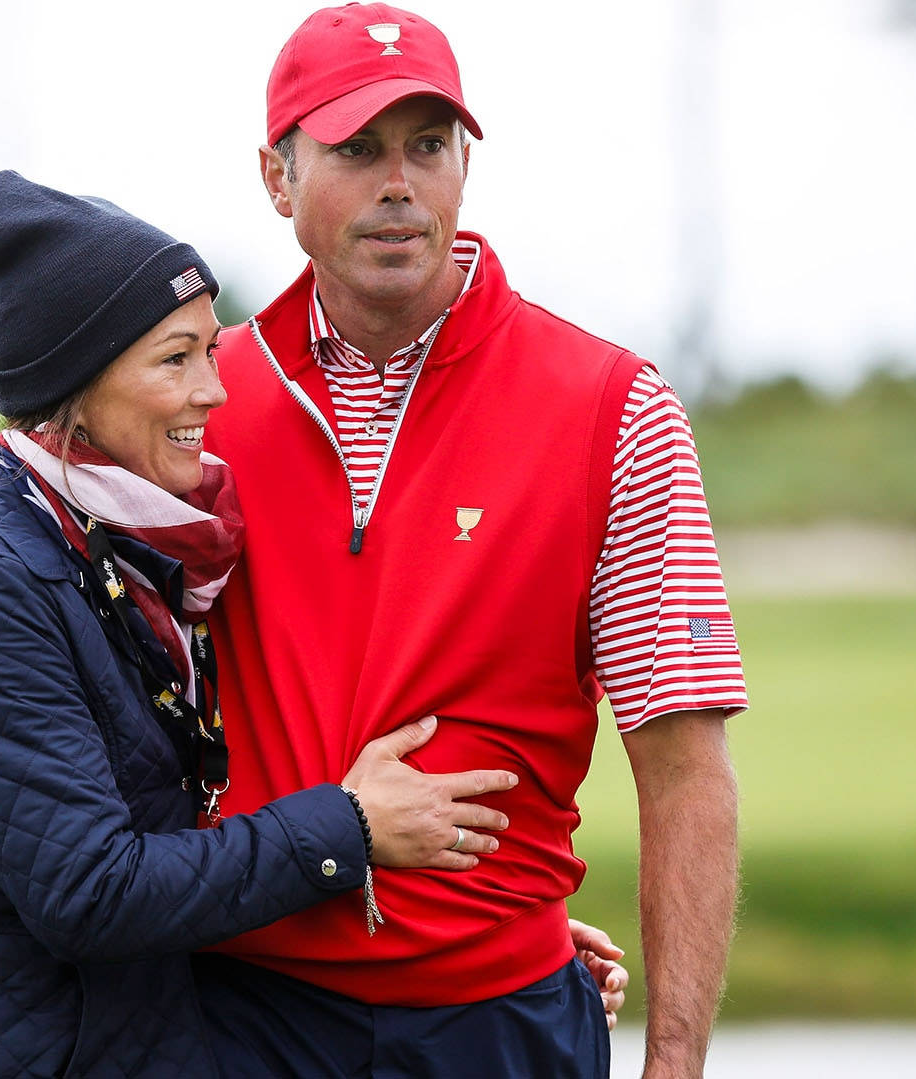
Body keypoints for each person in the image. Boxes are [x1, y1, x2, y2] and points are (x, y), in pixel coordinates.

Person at [0, 169, 594, 1079]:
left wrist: (491, 947)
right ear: (76, 383)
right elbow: (95, 892)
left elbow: (167, 841)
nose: (215, 391)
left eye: (209, 351)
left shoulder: (111, 555)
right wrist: (348, 825)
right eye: (176, 359)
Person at [193, 5, 748, 1078]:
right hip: (235, 1014)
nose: (398, 182)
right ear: (277, 176)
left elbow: (684, 770)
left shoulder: (612, 407)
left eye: (428, 145)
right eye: (357, 149)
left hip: (498, 1022)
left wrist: (672, 1064)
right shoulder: (201, 400)